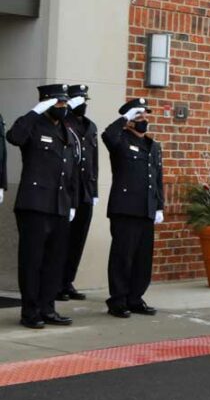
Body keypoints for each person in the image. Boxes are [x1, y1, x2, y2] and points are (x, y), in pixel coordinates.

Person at [7, 84, 81, 328]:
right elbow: (14, 137)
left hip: (59, 205)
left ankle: (47, 308)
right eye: (58, 103)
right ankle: (30, 312)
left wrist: (71, 201)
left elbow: (70, 171)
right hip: (35, 205)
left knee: (54, 261)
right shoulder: (33, 125)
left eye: (64, 103)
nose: (63, 107)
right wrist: (35, 111)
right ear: (47, 103)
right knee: (32, 261)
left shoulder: (67, 131)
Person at [102, 98, 164, 317]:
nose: (144, 120)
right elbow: (107, 135)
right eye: (139, 116)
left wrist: (159, 206)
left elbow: (158, 179)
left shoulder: (153, 145)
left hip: (146, 209)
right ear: (129, 120)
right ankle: (118, 300)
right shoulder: (120, 140)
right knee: (122, 257)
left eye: (145, 116)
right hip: (125, 209)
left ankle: (135, 297)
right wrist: (124, 118)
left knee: (142, 258)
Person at [58, 83, 98, 301]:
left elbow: (94, 161)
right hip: (68, 190)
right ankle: (57, 283)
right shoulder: (64, 124)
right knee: (62, 238)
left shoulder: (90, 127)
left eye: (85, 101)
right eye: (79, 101)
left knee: (78, 238)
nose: (83, 105)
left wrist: (95, 190)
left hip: (85, 190)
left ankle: (68, 281)